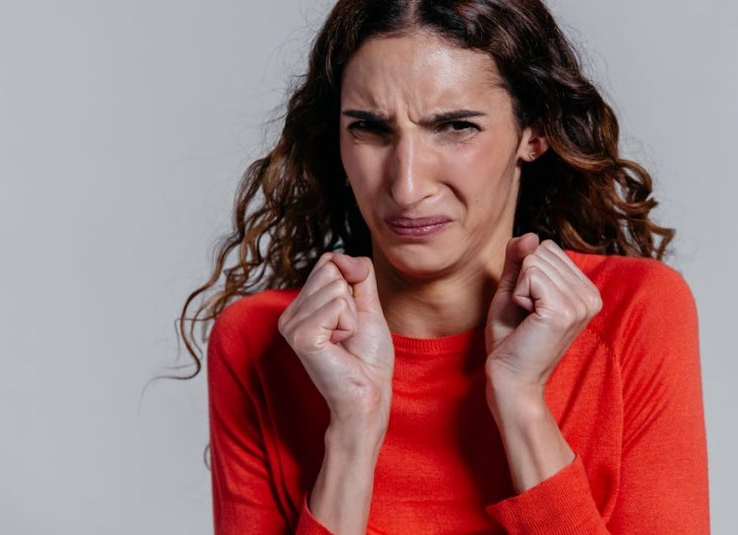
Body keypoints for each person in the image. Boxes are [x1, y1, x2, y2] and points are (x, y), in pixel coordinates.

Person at [179, 0, 709, 533]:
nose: (407, 188)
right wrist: (352, 433)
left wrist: (522, 405)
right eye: (369, 128)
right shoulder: (263, 342)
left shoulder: (634, 311)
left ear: (534, 133)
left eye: (455, 127)